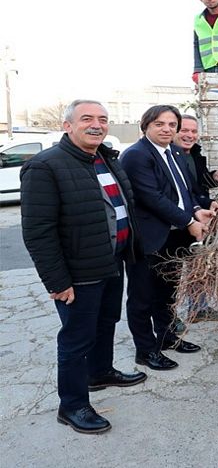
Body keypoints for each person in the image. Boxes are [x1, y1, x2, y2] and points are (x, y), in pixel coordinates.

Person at [20, 99, 147, 434]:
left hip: (111, 261)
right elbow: (38, 231)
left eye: (103, 119)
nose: (97, 124)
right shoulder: (46, 166)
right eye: (87, 118)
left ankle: (100, 372)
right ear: (67, 125)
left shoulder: (106, 158)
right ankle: (72, 405)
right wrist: (57, 281)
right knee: (77, 339)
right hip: (78, 272)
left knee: (106, 322)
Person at [120, 105, 216, 371]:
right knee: (142, 298)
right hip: (149, 238)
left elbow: (183, 191)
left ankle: (167, 338)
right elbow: (152, 198)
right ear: (146, 126)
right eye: (159, 124)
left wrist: (197, 209)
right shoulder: (136, 156)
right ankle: (145, 350)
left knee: (168, 293)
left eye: (171, 125)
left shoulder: (173, 152)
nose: (167, 129)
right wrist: (189, 221)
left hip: (174, 238)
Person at [173, 114, 218, 322]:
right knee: (173, 271)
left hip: (199, 218)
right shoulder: (169, 156)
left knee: (199, 266)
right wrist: (189, 217)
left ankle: (198, 309)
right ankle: (170, 316)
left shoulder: (194, 154)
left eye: (194, 131)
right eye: (184, 130)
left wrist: (214, 178)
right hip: (179, 221)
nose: (189, 135)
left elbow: (197, 186)